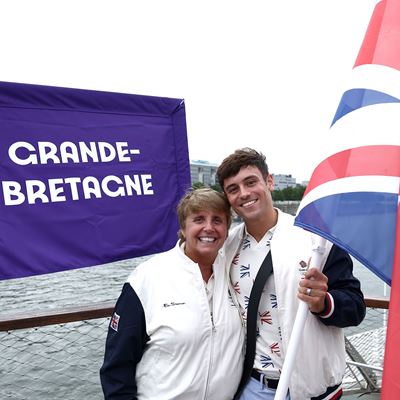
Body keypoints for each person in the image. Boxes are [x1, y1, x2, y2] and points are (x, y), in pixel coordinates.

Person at [216, 148, 366, 400]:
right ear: (227, 197)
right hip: (251, 386)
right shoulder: (226, 247)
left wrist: (323, 302)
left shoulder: (317, 238)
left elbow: (355, 307)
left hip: (312, 389)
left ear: (269, 181)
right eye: (233, 189)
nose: (244, 193)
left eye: (251, 182)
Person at [100, 188, 245, 400]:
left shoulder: (234, 271)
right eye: (198, 219)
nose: (208, 228)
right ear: (184, 228)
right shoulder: (147, 278)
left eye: (217, 220)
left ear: (227, 229)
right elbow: (117, 366)